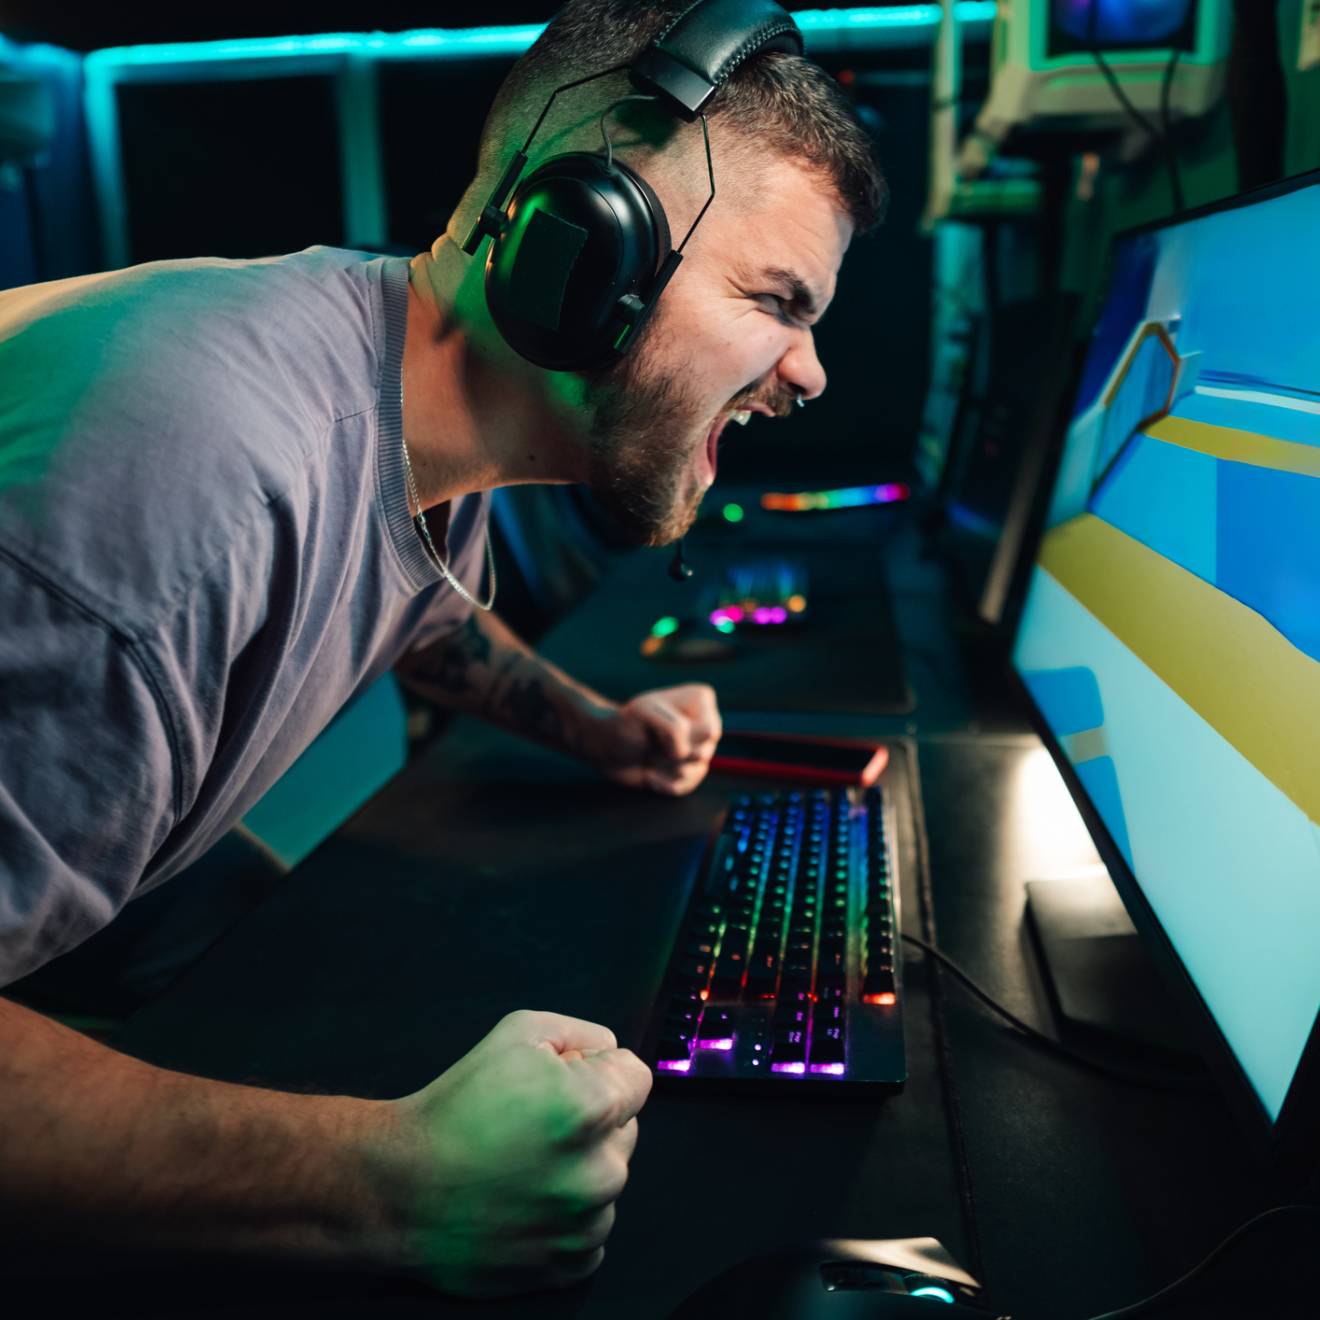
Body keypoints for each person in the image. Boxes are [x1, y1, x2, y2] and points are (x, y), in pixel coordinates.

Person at [0, 0, 884, 1297]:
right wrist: (389, 1186)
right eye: (777, 300)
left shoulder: (395, 382)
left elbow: (417, 601)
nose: (809, 374)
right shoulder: (188, 489)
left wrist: (600, 727)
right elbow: (235, 552)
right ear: (583, 246)